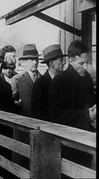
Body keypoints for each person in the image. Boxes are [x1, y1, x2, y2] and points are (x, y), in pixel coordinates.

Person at [49, 40, 96, 168]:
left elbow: (91, 104)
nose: (86, 67)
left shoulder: (86, 79)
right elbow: (56, 115)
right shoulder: (59, 82)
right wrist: (86, 116)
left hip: (85, 144)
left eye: (87, 63)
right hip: (66, 146)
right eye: (82, 63)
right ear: (70, 60)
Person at [31, 44, 66, 121]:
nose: (64, 63)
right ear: (51, 63)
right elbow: (37, 113)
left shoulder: (65, 81)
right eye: (60, 60)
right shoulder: (40, 84)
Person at [11, 44, 42, 116]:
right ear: (25, 61)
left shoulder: (43, 79)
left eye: (36, 59)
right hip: (24, 120)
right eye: (31, 60)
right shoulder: (17, 79)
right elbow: (13, 102)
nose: (35, 62)